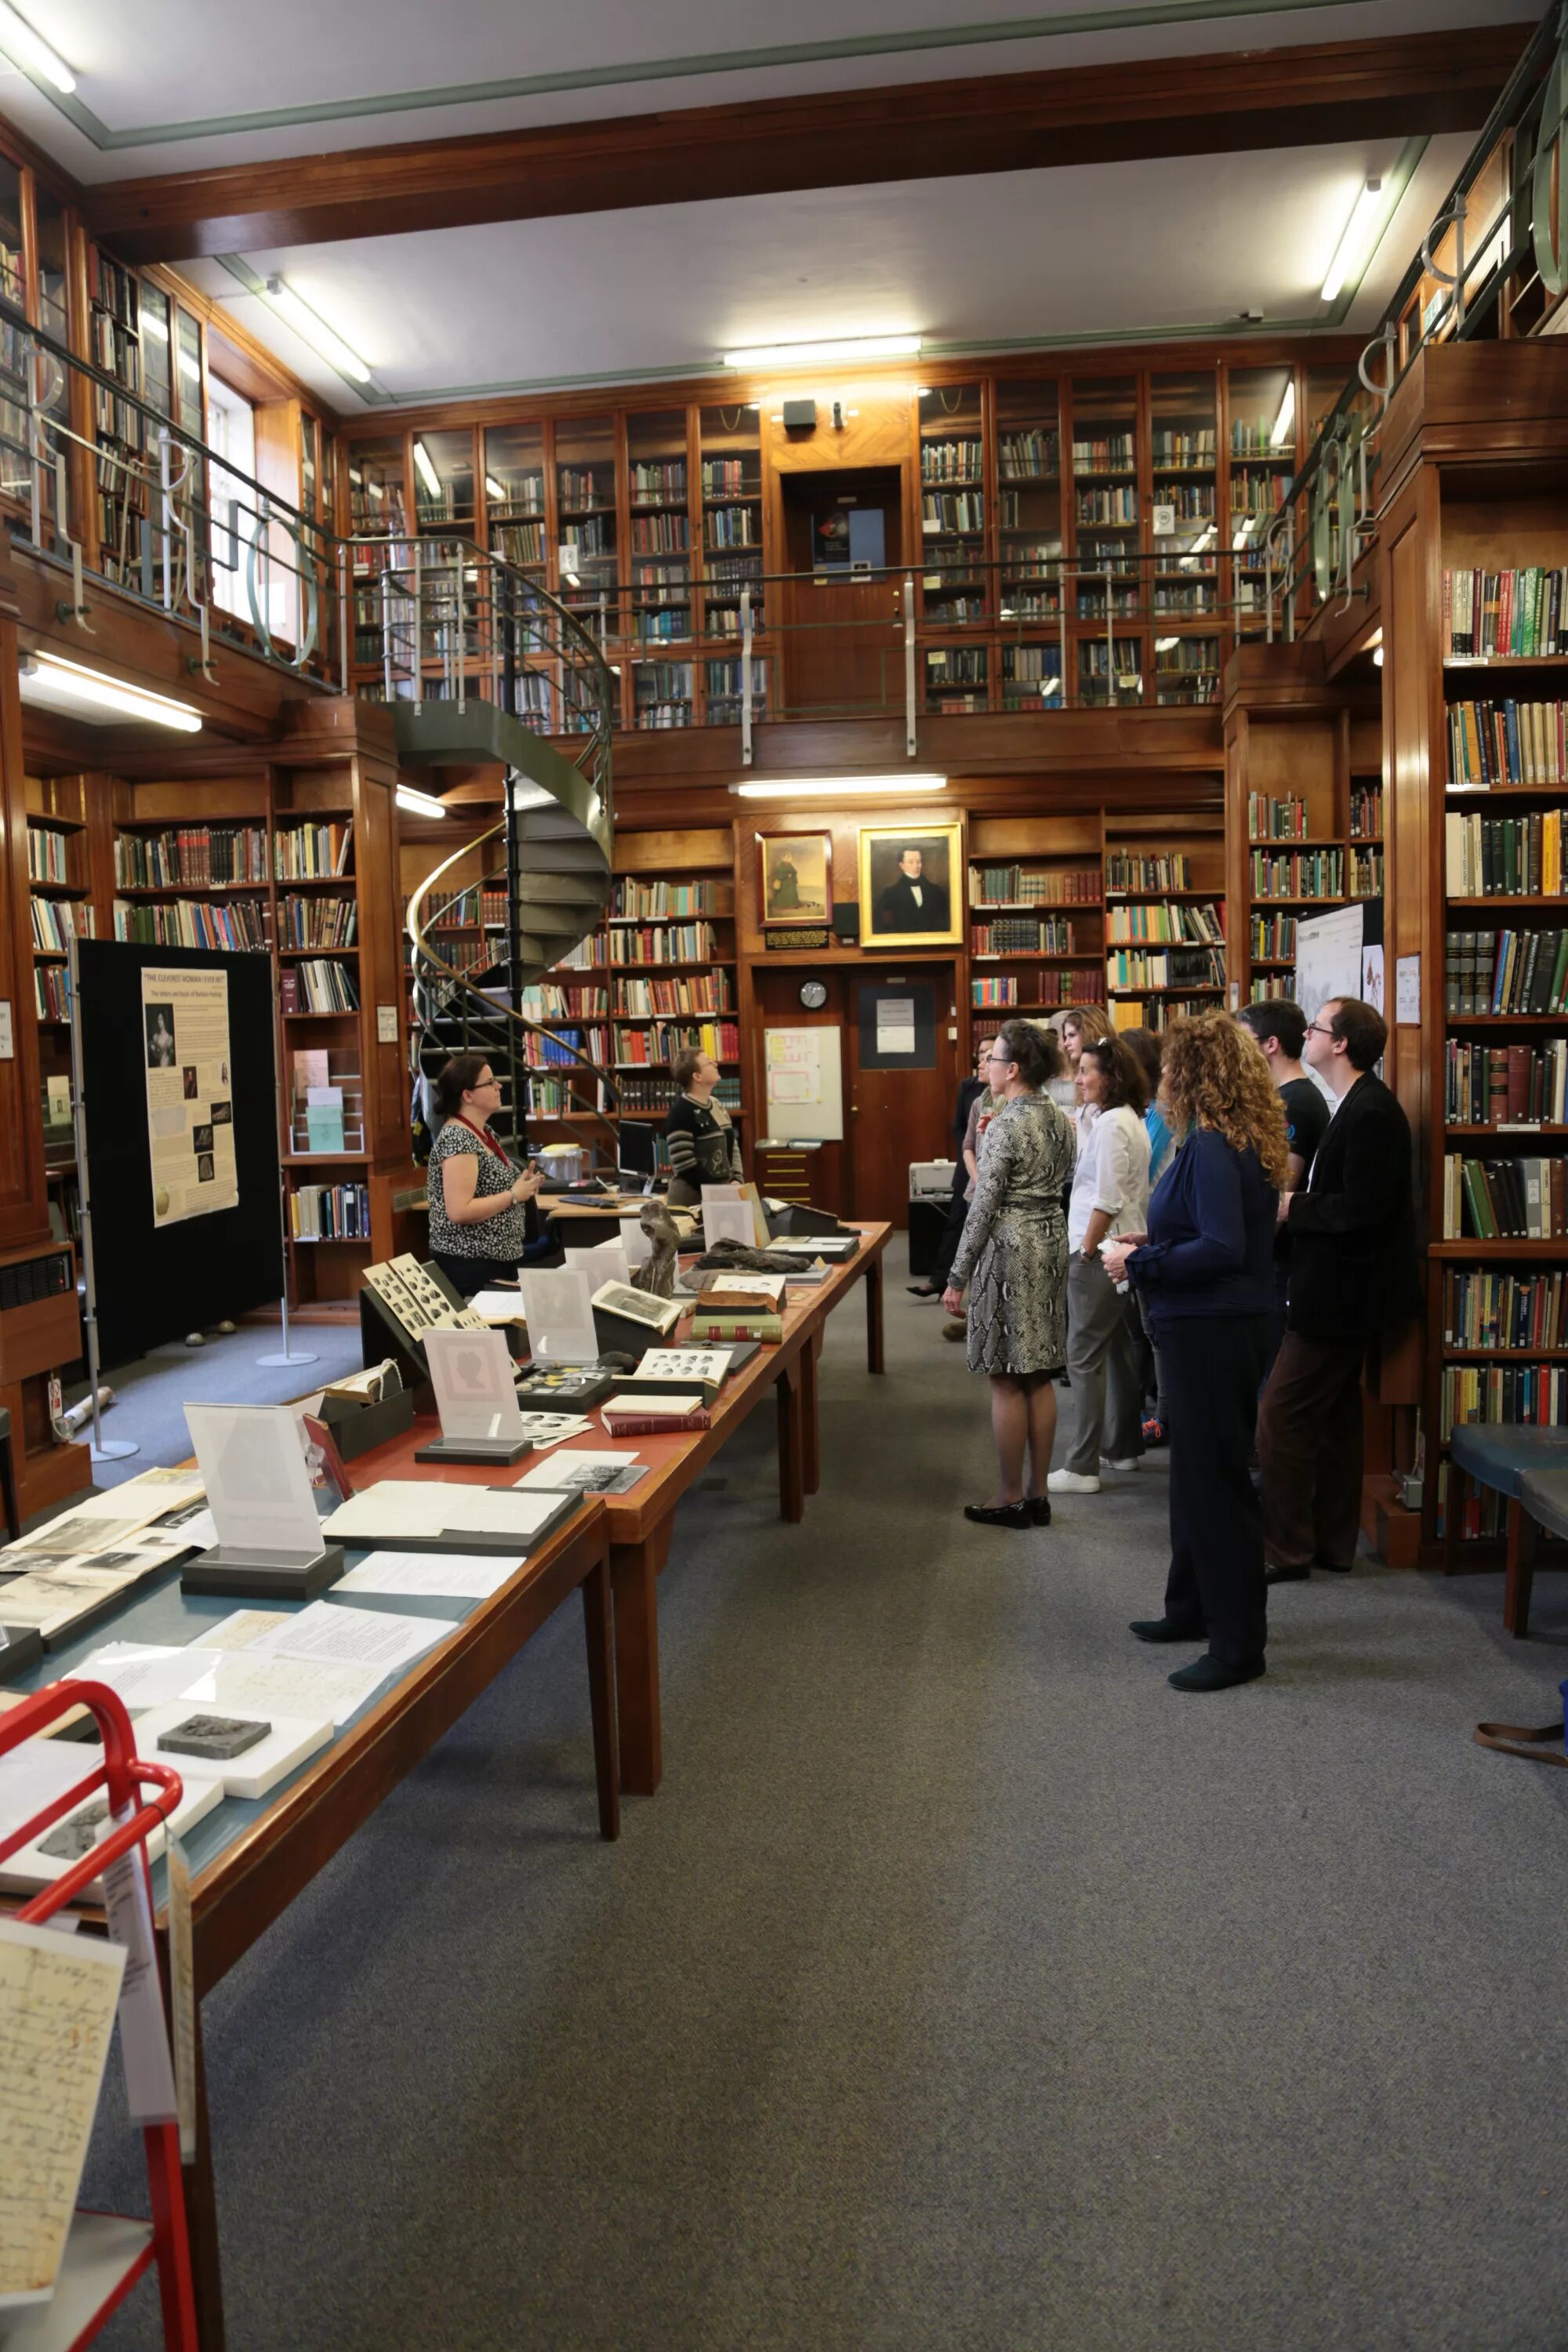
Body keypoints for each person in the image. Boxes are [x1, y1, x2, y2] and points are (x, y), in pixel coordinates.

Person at [1102, 1014, 1289, 1692]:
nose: (1162, 1079)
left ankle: (1238, 1646)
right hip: (1212, 1323)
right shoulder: (1226, 1139)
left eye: (1172, 1067)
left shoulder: (1211, 1145)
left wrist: (1142, 1263)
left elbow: (1221, 1248)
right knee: (1195, 1478)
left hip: (1212, 1327)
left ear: (1193, 1073)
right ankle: (1190, 1608)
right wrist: (1150, 1250)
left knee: (1217, 1487)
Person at [1258, 997, 1421, 1584]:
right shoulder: (1352, 1102)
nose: (1308, 1034)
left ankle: (1285, 1548)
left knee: (1280, 1416)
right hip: (1338, 1288)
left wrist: (1293, 1207)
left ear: (1341, 1043)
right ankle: (1330, 1544)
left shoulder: (1372, 1111)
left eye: (1318, 1027)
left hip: (1340, 1296)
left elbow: (1364, 1209)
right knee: (1336, 1421)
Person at [942, 1021, 1076, 1526]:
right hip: (1049, 1239)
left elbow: (982, 1207)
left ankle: (1009, 1495)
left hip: (1009, 1250)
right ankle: (1039, 1495)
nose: (987, 1068)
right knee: (1038, 1375)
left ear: (1013, 1069)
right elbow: (1065, 1177)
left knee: (1003, 1378)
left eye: (993, 1060)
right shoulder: (1061, 1120)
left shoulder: (1006, 1123)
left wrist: (957, 1277)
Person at [1049, 1034, 1152, 1493]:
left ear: (1112, 1078)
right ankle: (1122, 1448)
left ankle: (1081, 1466)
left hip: (1100, 1250)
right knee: (1116, 1352)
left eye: (1087, 1071)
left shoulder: (1112, 1126)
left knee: (1083, 1357)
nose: (1078, 1078)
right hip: (1120, 1250)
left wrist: (1087, 1251)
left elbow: (1106, 1198)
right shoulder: (1124, 1118)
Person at [1236, 997, 1332, 1366]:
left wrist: (1248, 1262)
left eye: (1245, 1040)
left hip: (1278, 1264)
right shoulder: (1285, 1098)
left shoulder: (1293, 1103)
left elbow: (1281, 1193)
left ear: (1270, 1044)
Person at [426, 1052, 546, 1298]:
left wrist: (522, 1185)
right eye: (490, 1082)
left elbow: (487, 1187)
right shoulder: (458, 1139)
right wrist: (514, 1194)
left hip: (493, 1259)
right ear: (467, 1095)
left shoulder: (482, 1133)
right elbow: (459, 1211)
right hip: (470, 1263)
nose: (498, 1085)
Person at [1121, 1026, 1175, 1446]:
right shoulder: (1145, 1111)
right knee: (1140, 1330)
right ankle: (1143, 1409)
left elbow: (1140, 1170)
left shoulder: (1157, 1113)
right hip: (1146, 1227)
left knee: (1150, 1328)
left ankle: (1161, 1416)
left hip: (1151, 1229)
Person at [909, 1036, 992, 1299]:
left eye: (988, 1055)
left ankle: (968, 1296)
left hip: (989, 1173)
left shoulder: (1002, 1094)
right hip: (967, 1166)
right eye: (979, 1053)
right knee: (956, 1224)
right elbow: (959, 1128)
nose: (982, 1060)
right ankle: (940, 1280)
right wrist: (968, 1157)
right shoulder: (969, 1088)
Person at [663, 1047, 744, 1207]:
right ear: (697, 1076)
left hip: (721, 1198)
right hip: (690, 1203)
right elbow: (685, 1165)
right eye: (708, 1063)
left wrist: (737, 1178)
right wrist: (720, 1191)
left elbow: (732, 1146)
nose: (715, 1064)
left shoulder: (717, 1105)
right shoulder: (681, 1112)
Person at [875, 845, 950, 934]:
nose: (916, 866)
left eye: (918, 862)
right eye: (911, 862)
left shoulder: (936, 891)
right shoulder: (890, 894)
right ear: (902, 865)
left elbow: (945, 922)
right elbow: (881, 925)